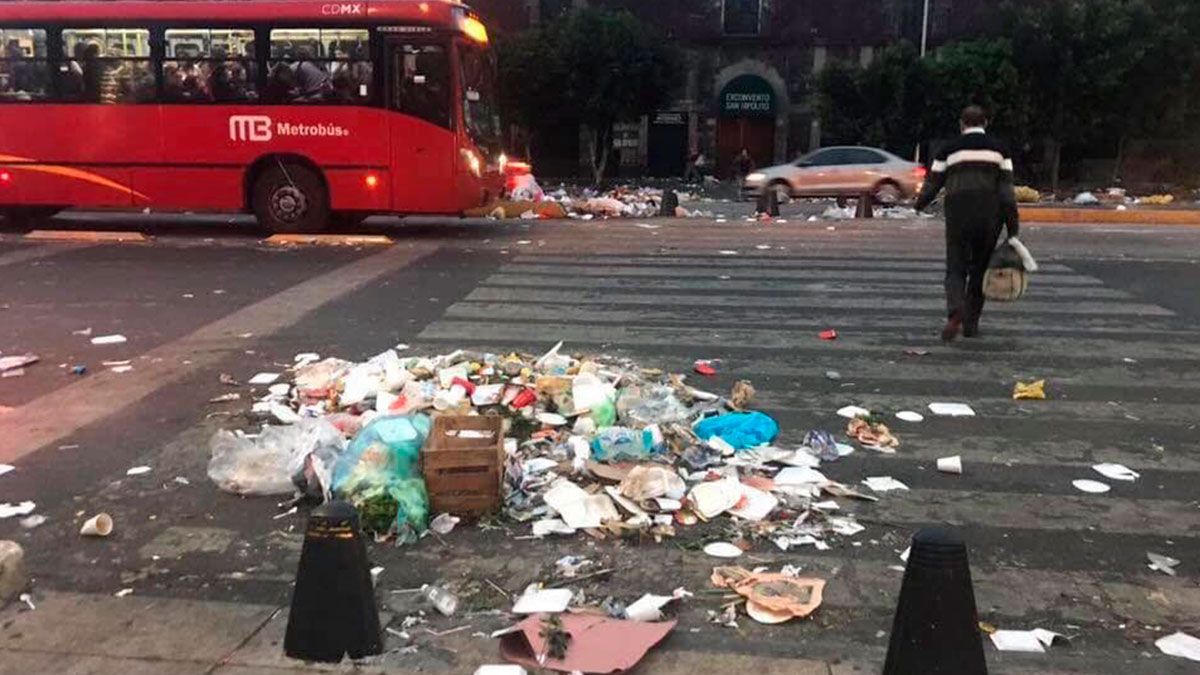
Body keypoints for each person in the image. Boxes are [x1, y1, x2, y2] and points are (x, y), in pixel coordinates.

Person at [914, 105, 1020, 341]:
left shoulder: (948, 149)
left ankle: (955, 310)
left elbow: (933, 183)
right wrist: (1013, 226)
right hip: (990, 215)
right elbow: (1006, 191)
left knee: (956, 266)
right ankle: (971, 323)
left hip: (958, 214)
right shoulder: (1000, 150)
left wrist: (919, 204)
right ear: (986, 123)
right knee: (980, 269)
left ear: (961, 124)